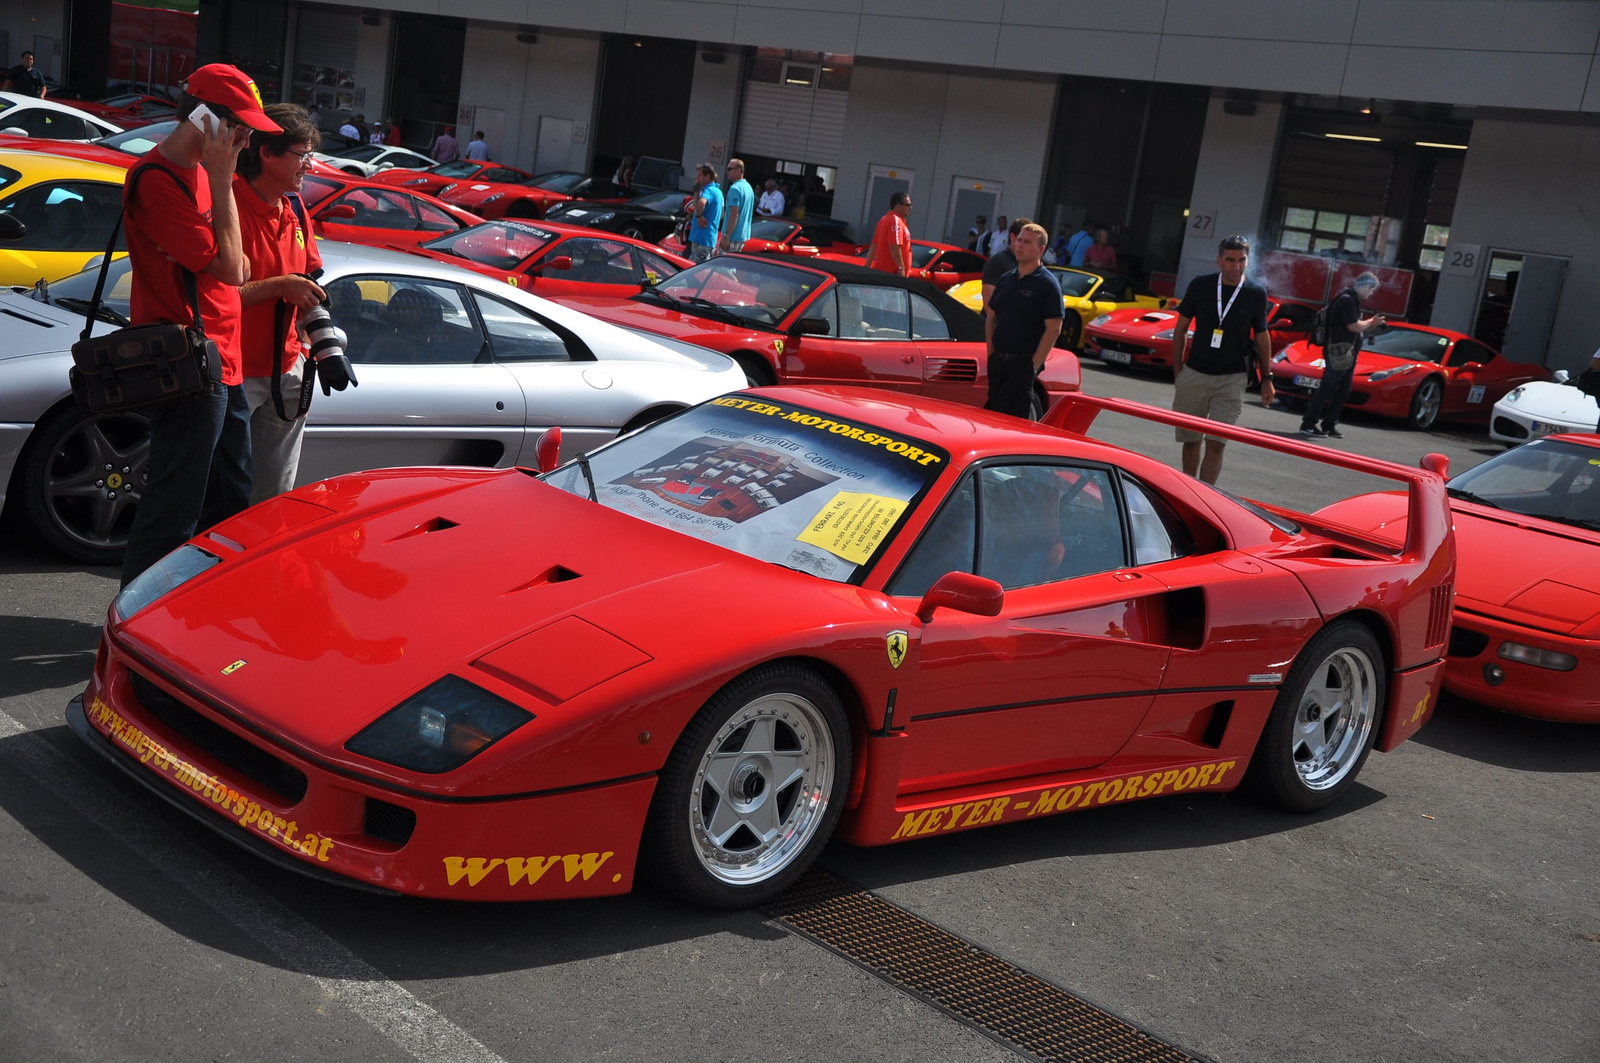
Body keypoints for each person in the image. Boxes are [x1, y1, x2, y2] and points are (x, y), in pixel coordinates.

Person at [119, 64, 281, 586]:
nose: (248, 138)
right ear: (205, 119)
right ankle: (135, 625)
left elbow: (241, 268)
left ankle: (193, 612)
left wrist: (220, 196)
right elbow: (233, 268)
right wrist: (219, 182)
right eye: (240, 125)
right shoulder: (160, 180)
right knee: (174, 506)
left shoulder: (212, 179)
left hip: (222, 359)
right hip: (188, 364)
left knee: (230, 498)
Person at [233, 103, 355, 504]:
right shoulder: (228, 205)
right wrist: (280, 286)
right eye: (302, 156)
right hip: (233, 375)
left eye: (310, 156)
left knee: (273, 498)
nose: (309, 166)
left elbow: (308, 283)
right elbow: (213, 298)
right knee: (222, 494)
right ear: (266, 153)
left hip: (287, 370)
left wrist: (316, 344)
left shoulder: (296, 208)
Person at [1169, 235, 1276, 485]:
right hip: (1195, 372)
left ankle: (1206, 495)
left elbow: (1262, 336)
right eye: (1230, 259)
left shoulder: (1255, 292)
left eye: (1241, 260)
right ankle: (1188, 489)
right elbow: (1181, 328)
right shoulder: (1201, 285)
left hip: (1232, 377)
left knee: (1217, 443)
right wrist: (1178, 370)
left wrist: (1267, 378)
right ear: (1219, 260)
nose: (1236, 266)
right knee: (1191, 440)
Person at [984, 222, 1063, 419]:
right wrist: (991, 354)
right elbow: (991, 317)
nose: (1019, 245)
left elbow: (1054, 328)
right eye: (1018, 240)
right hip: (998, 365)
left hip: (1022, 368)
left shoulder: (1047, 284)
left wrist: (1033, 366)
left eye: (1027, 242)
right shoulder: (1006, 279)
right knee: (990, 420)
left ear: (1041, 250)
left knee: (1009, 426)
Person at [1301, 273, 1383, 438]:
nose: (1371, 293)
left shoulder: (1350, 300)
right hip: (1337, 351)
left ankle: (1329, 424)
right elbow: (1353, 326)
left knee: (1343, 389)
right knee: (1328, 386)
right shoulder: (1347, 300)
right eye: (1371, 289)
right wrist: (1372, 323)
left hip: (1345, 351)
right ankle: (1308, 423)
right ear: (1365, 286)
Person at [979, 217, 1029, 307]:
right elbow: (989, 301)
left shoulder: (1026, 264)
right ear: (1013, 237)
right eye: (1023, 240)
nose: (1025, 245)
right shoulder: (997, 262)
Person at [862, 191, 912, 277]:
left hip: (883, 274)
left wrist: (867, 267)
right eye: (908, 205)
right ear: (898, 207)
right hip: (891, 275)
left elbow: (874, 246)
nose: (910, 208)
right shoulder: (895, 221)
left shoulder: (884, 219)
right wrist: (901, 267)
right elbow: (894, 246)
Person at [685, 162, 722, 263]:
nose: (697, 177)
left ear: (708, 176)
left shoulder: (709, 190)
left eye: (700, 175)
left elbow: (701, 203)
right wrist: (697, 191)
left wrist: (698, 216)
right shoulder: (718, 192)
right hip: (706, 238)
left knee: (694, 270)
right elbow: (722, 214)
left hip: (703, 238)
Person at [719, 158, 754, 254]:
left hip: (732, 236)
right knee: (732, 266)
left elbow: (734, 214)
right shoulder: (748, 187)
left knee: (724, 267)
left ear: (739, 170)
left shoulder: (735, 189)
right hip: (742, 236)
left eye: (730, 169)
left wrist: (726, 236)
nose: (727, 172)